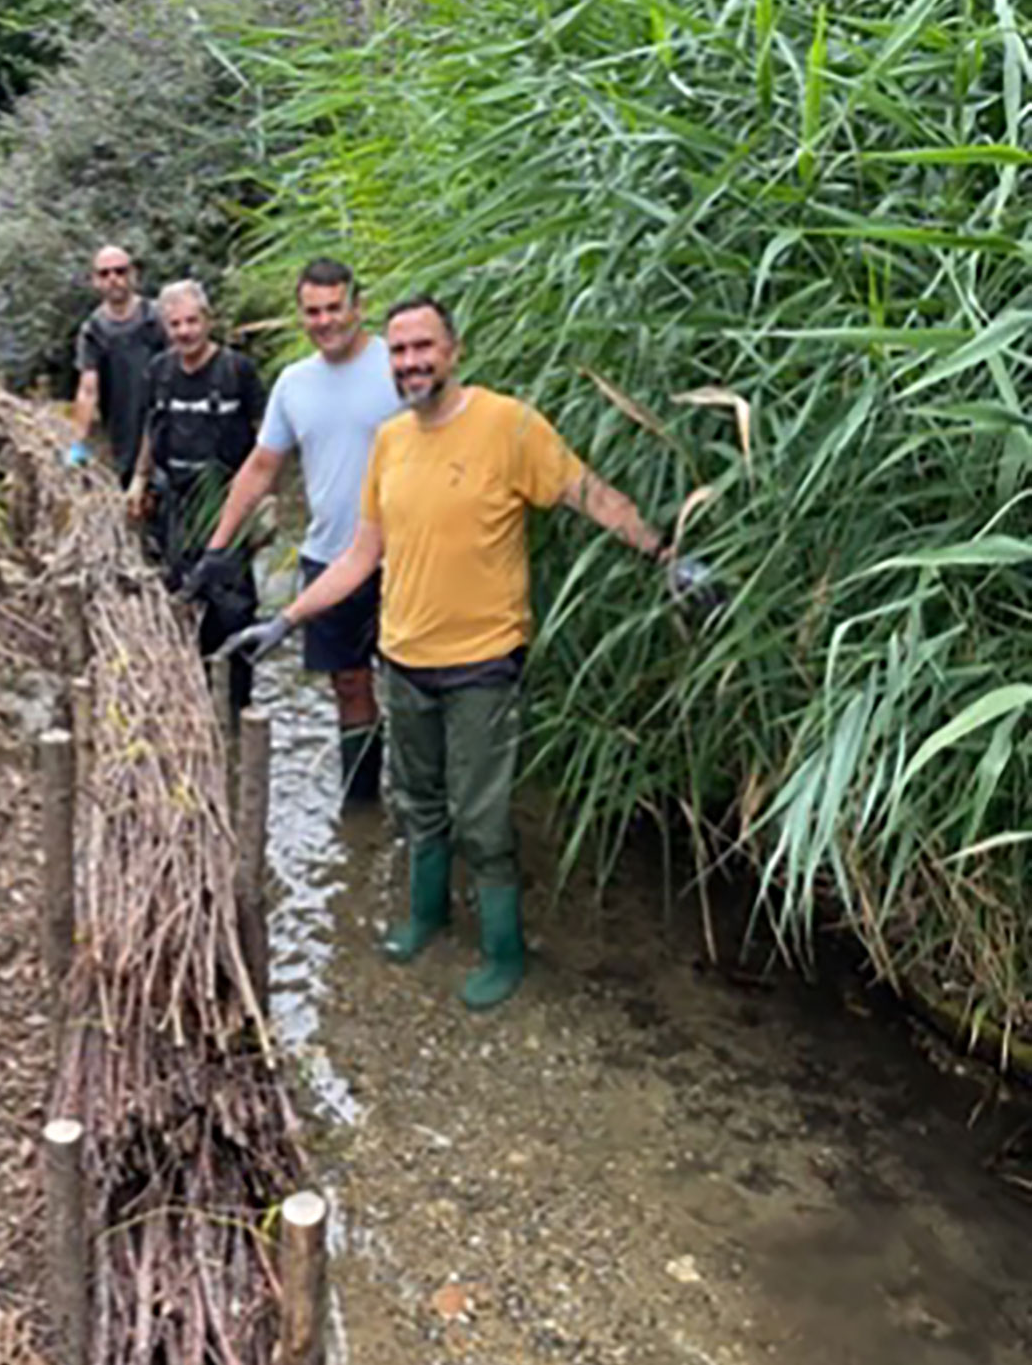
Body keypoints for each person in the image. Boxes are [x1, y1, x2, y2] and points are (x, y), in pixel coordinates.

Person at [223, 294, 678, 1012]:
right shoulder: (391, 443)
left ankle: (504, 950)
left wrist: (662, 553)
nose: (411, 362)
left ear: (453, 350)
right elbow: (360, 556)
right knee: (420, 802)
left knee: (483, 817)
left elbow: (586, 493)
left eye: (423, 348)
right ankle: (425, 918)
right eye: (400, 351)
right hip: (404, 658)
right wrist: (289, 619)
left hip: (484, 662)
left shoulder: (506, 424)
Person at [190, 257, 400, 805]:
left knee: (416, 688)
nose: (326, 321)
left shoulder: (398, 366)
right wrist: (218, 545)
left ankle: (423, 808)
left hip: (406, 560)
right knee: (349, 685)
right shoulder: (294, 383)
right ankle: (362, 805)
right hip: (330, 557)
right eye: (313, 311)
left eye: (336, 308)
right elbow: (263, 467)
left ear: (359, 306)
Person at [131, 280, 266, 708]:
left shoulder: (238, 371)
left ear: (208, 321)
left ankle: (238, 706)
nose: (185, 331)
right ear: (165, 329)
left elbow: (266, 440)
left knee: (235, 609)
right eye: (175, 324)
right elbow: (152, 431)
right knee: (184, 597)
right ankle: (194, 700)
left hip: (228, 500)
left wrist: (265, 498)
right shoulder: (159, 372)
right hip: (178, 505)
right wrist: (139, 479)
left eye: (192, 321)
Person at [68, 244, 166, 483]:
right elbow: (88, 389)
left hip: (166, 427)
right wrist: (78, 441)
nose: (113, 279)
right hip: (123, 433)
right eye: (104, 273)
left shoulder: (158, 318)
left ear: (133, 275)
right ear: (95, 281)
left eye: (120, 271)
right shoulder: (93, 331)